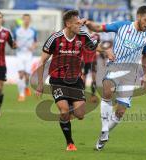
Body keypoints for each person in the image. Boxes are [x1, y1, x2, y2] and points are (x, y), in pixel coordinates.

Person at [84, 5, 146, 150]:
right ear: (139, 17)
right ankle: (104, 129)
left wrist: (145, 77)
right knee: (107, 91)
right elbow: (98, 28)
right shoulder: (121, 26)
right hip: (114, 67)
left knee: (120, 112)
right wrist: (88, 23)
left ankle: (103, 136)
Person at [35, 10, 98, 151]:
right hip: (58, 79)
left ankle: (67, 106)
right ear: (68, 24)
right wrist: (40, 83)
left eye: (80, 22)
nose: (79, 25)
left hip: (75, 80)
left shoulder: (82, 36)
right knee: (64, 112)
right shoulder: (55, 39)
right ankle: (70, 143)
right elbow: (42, 61)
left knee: (80, 114)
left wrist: (106, 51)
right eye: (77, 23)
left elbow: (94, 47)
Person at [13, 14, 37, 101]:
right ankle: (21, 94)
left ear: (30, 20)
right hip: (19, 54)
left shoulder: (33, 31)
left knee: (27, 76)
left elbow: (35, 42)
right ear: (22, 20)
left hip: (28, 55)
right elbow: (13, 42)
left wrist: (33, 47)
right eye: (25, 19)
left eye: (28, 19)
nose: (26, 21)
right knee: (21, 74)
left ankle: (26, 87)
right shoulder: (17, 30)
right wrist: (15, 45)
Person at [82, 29, 100, 102]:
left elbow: (98, 46)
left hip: (93, 59)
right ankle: (82, 95)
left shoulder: (97, 36)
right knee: (83, 78)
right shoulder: (84, 35)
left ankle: (93, 95)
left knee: (94, 77)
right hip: (84, 59)